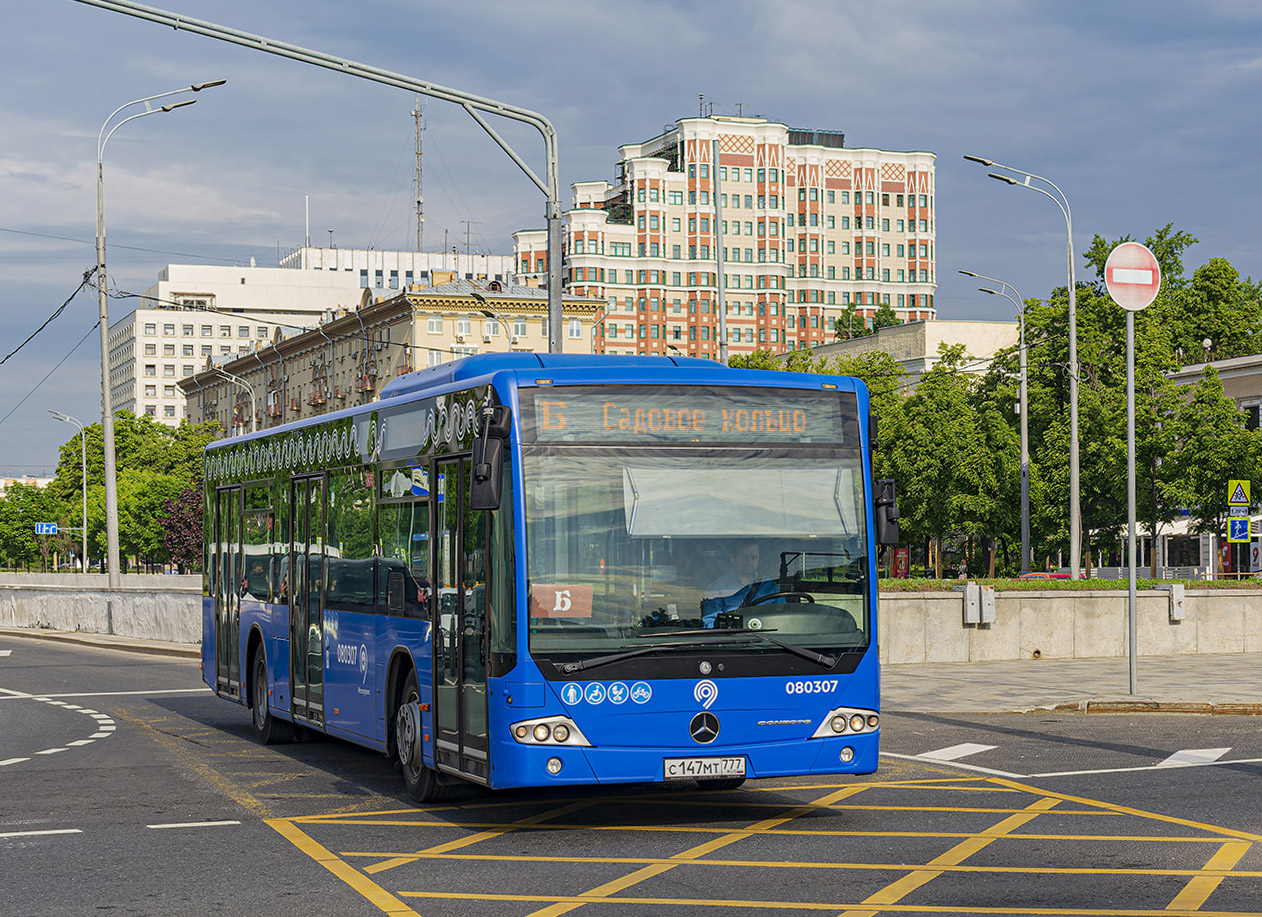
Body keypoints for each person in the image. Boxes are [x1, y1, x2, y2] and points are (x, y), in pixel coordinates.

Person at [700, 540, 778, 627]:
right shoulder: (716, 588)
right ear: (733, 557)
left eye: (754, 557)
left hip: (769, 638)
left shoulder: (770, 586)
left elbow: (783, 615)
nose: (749, 561)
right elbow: (711, 623)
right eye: (743, 557)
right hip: (732, 639)